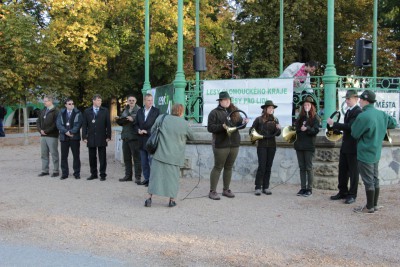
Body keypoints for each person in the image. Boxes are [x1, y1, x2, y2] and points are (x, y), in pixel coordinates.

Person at [351, 90, 397, 214]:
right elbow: (394, 123)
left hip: (365, 152)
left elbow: (354, 134)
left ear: (365, 100)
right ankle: (374, 205)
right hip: (376, 151)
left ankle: (369, 207)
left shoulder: (363, 115)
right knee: (375, 179)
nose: (359, 101)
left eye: (360, 99)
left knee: (368, 180)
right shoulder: (381, 114)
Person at [144, 104, 194, 207]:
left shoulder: (162, 118)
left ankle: (149, 198)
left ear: (172, 110)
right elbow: (192, 137)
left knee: (155, 177)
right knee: (173, 179)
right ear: (181, 112)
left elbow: (153, 130)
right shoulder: (184, 124)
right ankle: (171, 200)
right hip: (174, 157)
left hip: (159, 154)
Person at [207, 91, 249, 200]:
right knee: (218, 167)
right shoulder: (214, 113)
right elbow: (210, 128)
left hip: (234, 143)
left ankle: (226, 189)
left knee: (229, 167)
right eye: (225, 100)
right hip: (221, 144)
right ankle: (212, 191)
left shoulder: (234, 111)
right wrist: (222, 127)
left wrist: (244, 122)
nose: (227, 101)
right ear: (220, 101)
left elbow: (239, 126)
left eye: (228, 100)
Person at [328, 90, 362, 204]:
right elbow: (346, 129)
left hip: (353, 146)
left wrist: (334, 124)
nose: (347, 101)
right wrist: (336, 130)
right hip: (346, 145)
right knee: (342, 170)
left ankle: (352, 195)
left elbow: (351, 127)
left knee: (353, 171)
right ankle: (343, 191)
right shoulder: (349, 111)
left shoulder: (357, 111)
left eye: (349, 99)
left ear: (356, 99)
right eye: (346, 99)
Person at [249, 100, 281, 196]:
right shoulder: (258, 119)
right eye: (269, 108)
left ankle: (266, 187)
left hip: (272, 146)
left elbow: (278, 134)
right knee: (262, 166)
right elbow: (251, 131)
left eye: (272, 108)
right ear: (265, 109)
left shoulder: (275, 120)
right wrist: (258, 136)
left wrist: (279, 128)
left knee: (268, 166)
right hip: (262, 145)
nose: (271, 109)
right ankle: (258, 187)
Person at [294, 96, 320, 197]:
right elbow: (296, 129)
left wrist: (307, 128)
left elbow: (316, 130)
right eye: (305, 105)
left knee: (309, 167)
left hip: (309, 145)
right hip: (299, 145)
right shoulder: (300, 117)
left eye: (308, 105)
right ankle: (303, 188)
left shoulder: (315, 117)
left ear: (312, 106)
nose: (306, 106)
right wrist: (299, 128)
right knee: (302, 167)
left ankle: (309, 189)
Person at [82, 94, 112, 181]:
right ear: (93, 101)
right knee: (92, 157)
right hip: (91, 137)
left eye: (100, 100)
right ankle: (93, 173)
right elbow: (84, 125)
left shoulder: (105, 110)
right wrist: (84, 136)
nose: (100, 102)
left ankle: (103, 174)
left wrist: (108, 136)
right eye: (98, 100)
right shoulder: (87, 111)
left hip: (102, 137)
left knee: (102, 156)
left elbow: (108, 124)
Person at [136, 93, 160, 186]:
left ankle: (153, 181)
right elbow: (135, 124)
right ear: (144, 101)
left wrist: (147, 131)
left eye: (151, 100)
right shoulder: (140, 111)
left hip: (151, 140)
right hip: (141, 140)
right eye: (148, 100)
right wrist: (138, 130)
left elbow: (158, 125)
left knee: (152, 162)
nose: (150, 102)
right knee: (144, 162)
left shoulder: (156, 111)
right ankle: (147, 179)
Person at [116, 95, 142, 183]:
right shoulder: (125, 110)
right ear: (127, 101)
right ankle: (128, 176)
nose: (131, 101)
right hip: (125, 136)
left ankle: (138, 177)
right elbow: (123, 122)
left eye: (133, 100)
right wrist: (119, 120)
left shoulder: (139, 110)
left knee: (136, 158)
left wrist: (133, 119)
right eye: (130, 100)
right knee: (126, 158)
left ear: (136, 101)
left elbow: (141, 122)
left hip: (134, 137)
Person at [56, 98, 83, 180]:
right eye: (69, 104)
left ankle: (77, 173)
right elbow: (58, 124)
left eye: (72, 103)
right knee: (64, 156)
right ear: (66, 105)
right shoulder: (61, 112)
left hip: (74, 137)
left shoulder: (78, 112)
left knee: (76, 156)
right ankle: (64, 173)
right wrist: (65, 131)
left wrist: (71, 132)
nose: (71, 105)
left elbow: (79, 124)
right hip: (64, 137)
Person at [37, 95, 60, 177]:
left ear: (50, 101)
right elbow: (38, 121)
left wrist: (46, 131)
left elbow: (56, 124)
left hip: (52, 136)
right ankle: (45, 170)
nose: (44, 102)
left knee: (54, 153)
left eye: (46, 101)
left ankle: (56, 170)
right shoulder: (43, 110)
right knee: (44, 154)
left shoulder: (56, 111)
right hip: (43, 136)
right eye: (44, 101)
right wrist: (40, 130)